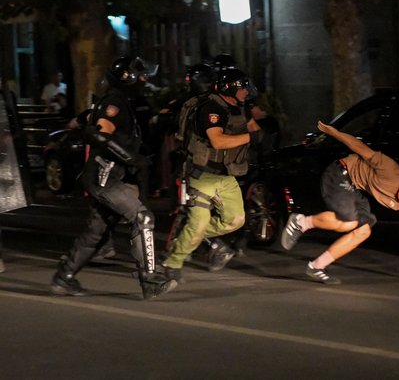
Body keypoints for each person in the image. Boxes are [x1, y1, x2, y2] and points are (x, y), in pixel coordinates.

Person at [50, 56, 177, 299]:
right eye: (140, 75)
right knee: (143, 218)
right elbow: (100, 134)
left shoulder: (121, 101)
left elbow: (83, 121)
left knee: (96, 233)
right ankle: (151, 280)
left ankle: (64, 277)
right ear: (128, 78)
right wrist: (130, 158)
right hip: (105, 177)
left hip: (108, 176)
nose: (145, 79)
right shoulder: (115, 102)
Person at [280, 121, 399, 285]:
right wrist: (335, 133)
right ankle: (301, 221)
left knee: (364, 231)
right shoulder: (392, 172)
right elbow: (361, 149)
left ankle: (317, 266)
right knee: (349, 222)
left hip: (353, 187)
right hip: (340, 173)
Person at [161, 66, 262, 282]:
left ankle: (188, 238)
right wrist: (250, 139)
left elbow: (253, 127)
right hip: (203, 175)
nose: (246, 91)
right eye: (242, 87)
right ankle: (173, 262)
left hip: (227, 174)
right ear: (229, 88)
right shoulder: (211, 109)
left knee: (235, 220)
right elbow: (218, 141)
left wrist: (263, 134)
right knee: (197, 223)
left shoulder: (239, 107)